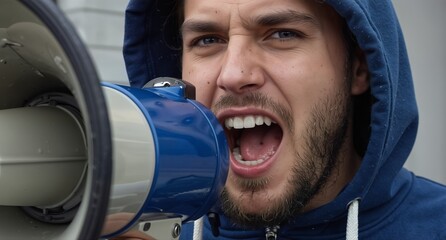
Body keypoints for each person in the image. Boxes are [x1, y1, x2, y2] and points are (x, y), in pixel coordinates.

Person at [121, 0, 446, 239]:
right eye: (208, 40)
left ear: (360, 68)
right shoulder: (139, 228)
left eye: (282, 34)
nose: (234, 75)